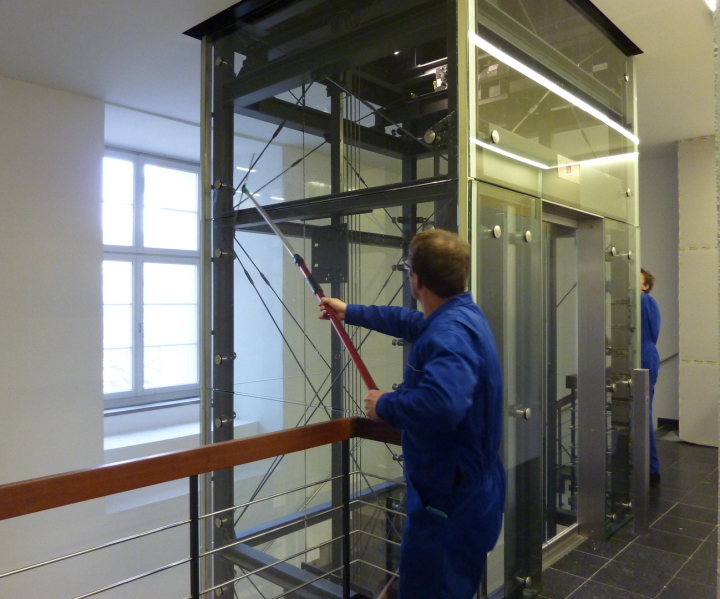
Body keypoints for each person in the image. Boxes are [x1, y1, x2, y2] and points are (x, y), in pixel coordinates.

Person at [319, 229, 505, 599]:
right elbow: (409, 322)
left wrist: (385, 405)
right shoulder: (460, 315)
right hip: (462, 490)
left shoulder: (450, 333)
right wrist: (350, 311)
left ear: (416, 280)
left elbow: (443, 405)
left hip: (449, 501)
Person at [640, 268, 661, 484]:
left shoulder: (644, 300)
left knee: (642, 414)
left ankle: (652, 469)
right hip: (642, 357)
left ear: (645, 286)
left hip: (645, 359)